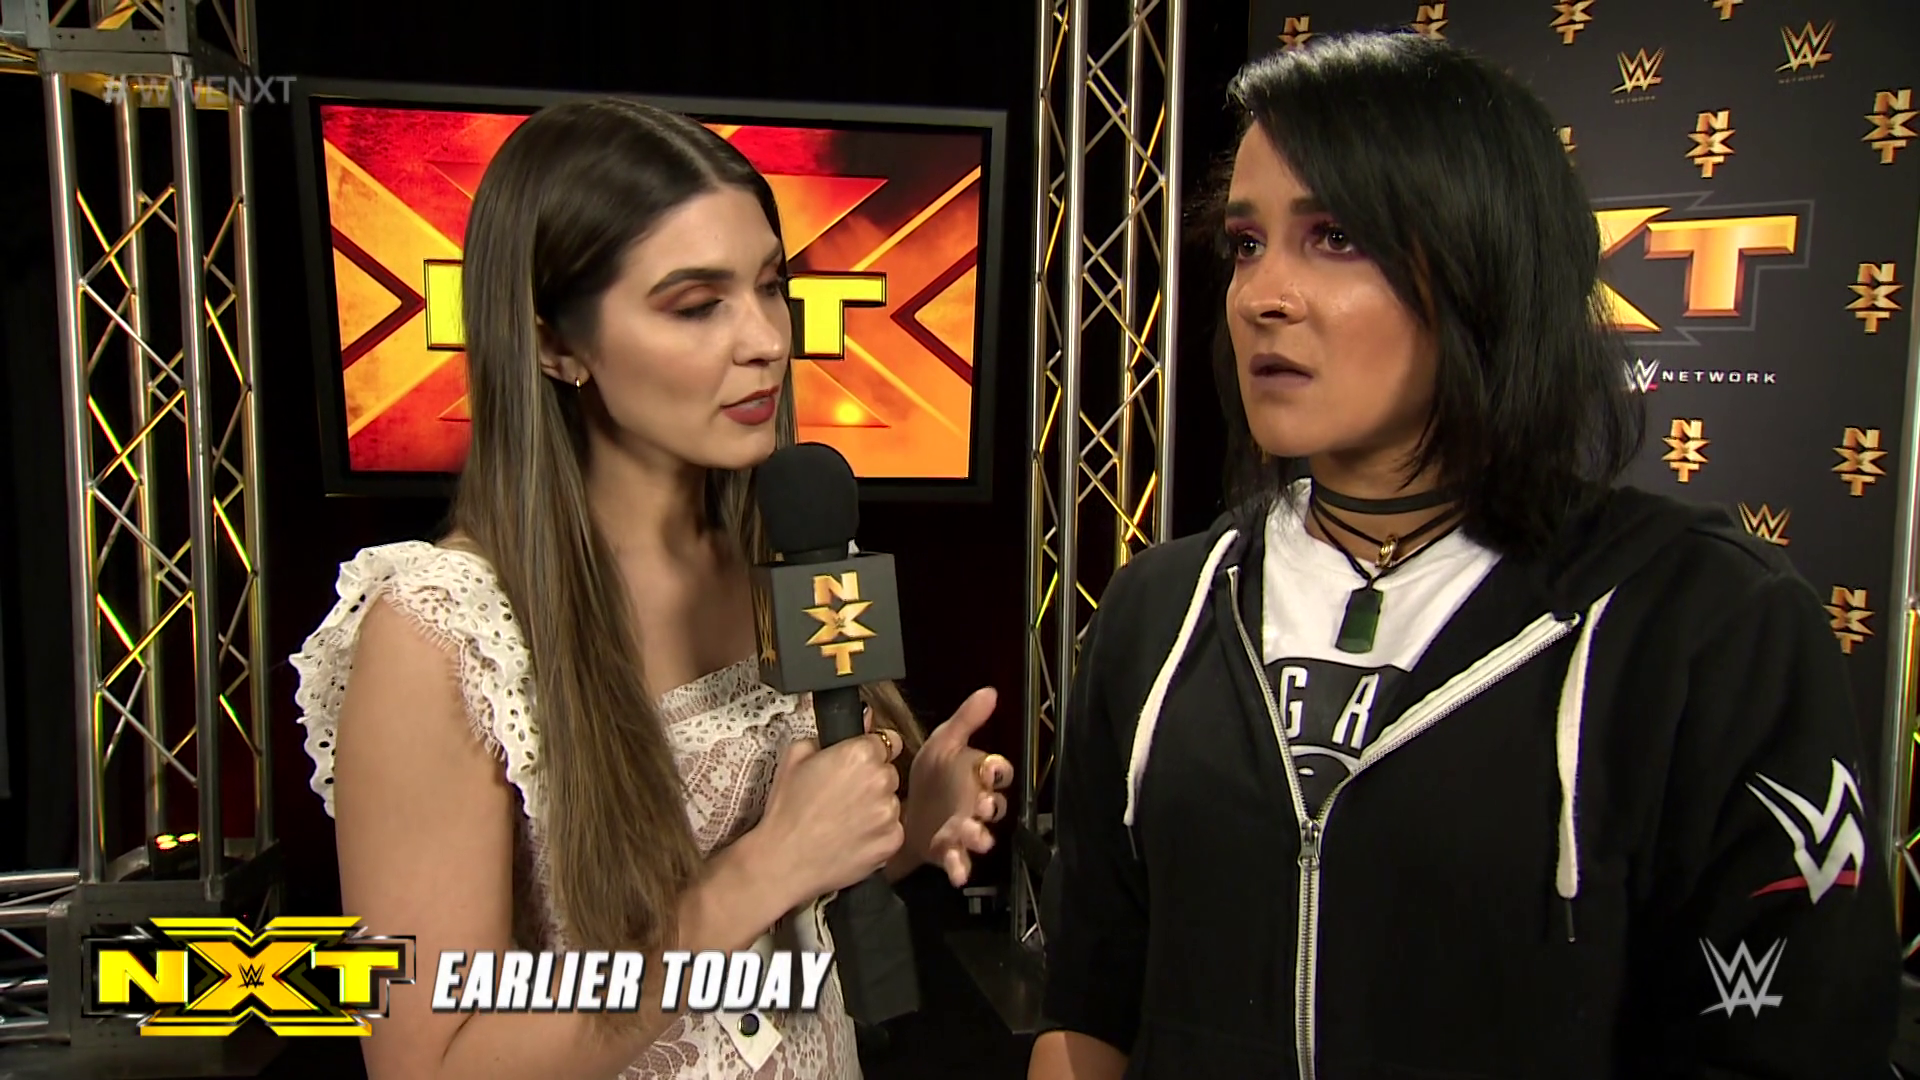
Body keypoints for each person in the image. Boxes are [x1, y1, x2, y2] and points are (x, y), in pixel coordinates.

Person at [1029, 31, 1900, 1080]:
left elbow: (1793, 1041)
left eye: (1335, 236)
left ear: (1484, 261)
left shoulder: (1706, 625)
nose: (1262, 295)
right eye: (1248, 242)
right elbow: (1091, 1003)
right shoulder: (1159, 609)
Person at [290, 98, 1012, 1080]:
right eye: (697, 304)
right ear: (555, 344)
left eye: (771, 287)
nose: (766, 339)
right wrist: (756, 876)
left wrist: (901, 830)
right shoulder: (441, 632)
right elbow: (427, 1063)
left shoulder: (789, 547)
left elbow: (807, 881)